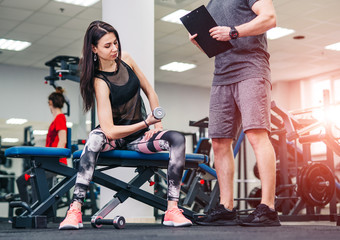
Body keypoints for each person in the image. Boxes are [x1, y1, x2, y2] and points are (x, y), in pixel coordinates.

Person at [59, 20, 192, 230]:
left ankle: (172, 210)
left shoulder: (126, 59)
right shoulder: (99, 81)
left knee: (176, 138)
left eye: (115, 43)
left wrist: (157, 127)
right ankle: (74, 210)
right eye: (107, 45)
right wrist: (146, 122)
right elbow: (109, 130)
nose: (114, 49)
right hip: (113, 138)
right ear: (94, 49)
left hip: (139, 138)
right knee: (94, 138)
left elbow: (149, 90)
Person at [189, 0, 280, 227]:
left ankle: (268, 207)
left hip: (252, 67)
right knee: (219, 141)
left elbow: (269, 18)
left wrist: (233, 31)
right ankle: (226, 208)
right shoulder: (211, 5)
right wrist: (201, 43)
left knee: (256, 134)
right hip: (221, 74)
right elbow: (216, 45)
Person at [16, 87, 67, 204]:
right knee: (21, 180)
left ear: (51, 103)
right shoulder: (56, 120)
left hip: (55, 163)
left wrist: (53, 160)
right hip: (48, 163)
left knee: (34, 177)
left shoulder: (60, 118)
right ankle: (30, 211)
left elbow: (62, 140)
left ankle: (35, 212)